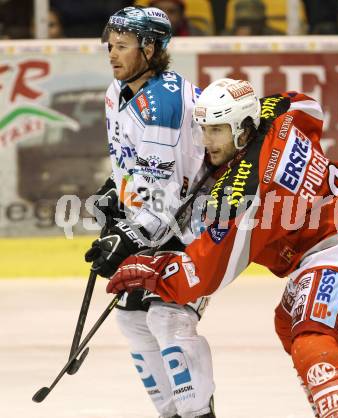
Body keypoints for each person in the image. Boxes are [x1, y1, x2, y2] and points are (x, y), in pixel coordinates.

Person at [107, 78, 338, 417]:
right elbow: (307, 105)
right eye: (203, 129)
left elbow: (205, 273)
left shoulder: (243, 194)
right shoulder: (279, 113)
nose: (205, 141)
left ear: (242, 130)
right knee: (287, 323)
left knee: (312, 337)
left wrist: (152, 271)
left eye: (216, 131)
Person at [85, 6, 215, 418]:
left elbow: (169, 195)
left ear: (150, 47)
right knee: (133, 321)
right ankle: (172, 413)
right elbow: (133, 163)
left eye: (122, 46)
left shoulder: (164, 105)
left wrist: (125, 237)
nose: (112, 54)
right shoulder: (118, 91)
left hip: (198, 224)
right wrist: (115, 188)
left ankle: (197, 414)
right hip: (160, 221)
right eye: (110, 46)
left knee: (168, 320)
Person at [134, 0, 210, 35]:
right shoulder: (136, 37)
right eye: (158, 11)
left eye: (171, 11)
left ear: (181, 16)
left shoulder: (197, 36)